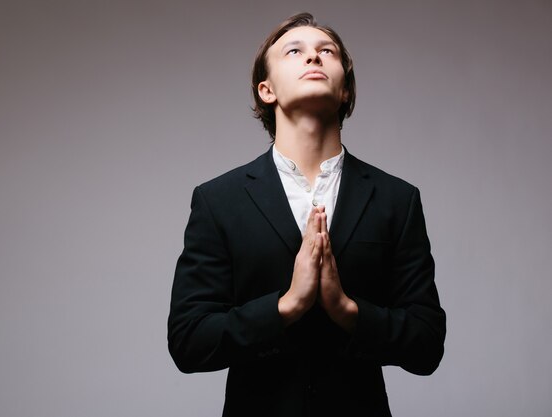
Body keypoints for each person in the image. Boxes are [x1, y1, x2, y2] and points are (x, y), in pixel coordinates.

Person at [168, 12, 446, 417]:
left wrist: (347, 310)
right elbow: (188, 340)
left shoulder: (396, 199)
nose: (313, 58)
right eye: (295, 51)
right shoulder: (218, 200)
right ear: (267, 90)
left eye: (326, 52)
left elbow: (427, 344)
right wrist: (286, 306)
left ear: (346, 90)